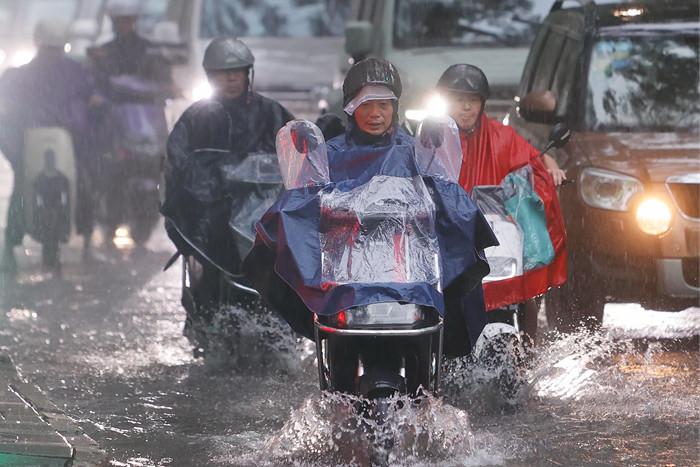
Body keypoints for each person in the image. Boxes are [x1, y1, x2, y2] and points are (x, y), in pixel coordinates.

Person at [245, 58, 498, 357]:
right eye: (366, 104)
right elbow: (299, 209)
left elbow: (448, 205)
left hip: (411, 282)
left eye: (383, 104)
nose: (375, 114)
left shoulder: (415, 154)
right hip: (345, 286)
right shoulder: (329, 157)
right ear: (350, 107)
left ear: (395, 107)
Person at [162, 37, 293, 350]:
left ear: (248, 74)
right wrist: (212, 188)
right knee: (207, 259)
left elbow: (297, 153)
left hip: (263, 213)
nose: (231, 78)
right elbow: (177, 164)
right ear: (210, 76)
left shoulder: (272, 113)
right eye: (223, 73)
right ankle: (208, 318)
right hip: (211, 216)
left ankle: (284, 319)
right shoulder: (195, 118)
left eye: (236, 72)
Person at [436, 63, 568, 343]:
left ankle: (528, 351)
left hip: (497, 237)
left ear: (482, 104)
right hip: (447, 238)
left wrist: (549, 167)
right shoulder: (431, 140)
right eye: (459, 100)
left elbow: (532, 159)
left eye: (472, 100)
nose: (466, 107)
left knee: (525, 290)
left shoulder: (501, 137)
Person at [0, 19, 102, 276]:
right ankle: (10, 246)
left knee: (83, 183)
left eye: (55, 49)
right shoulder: (21, 75)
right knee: (22, 186)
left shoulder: (75, 72)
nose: (51, 55)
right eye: (49, 49)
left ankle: (87, 239)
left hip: (67, 141)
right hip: (34, 142)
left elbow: (93, 99)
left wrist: (95, 106)